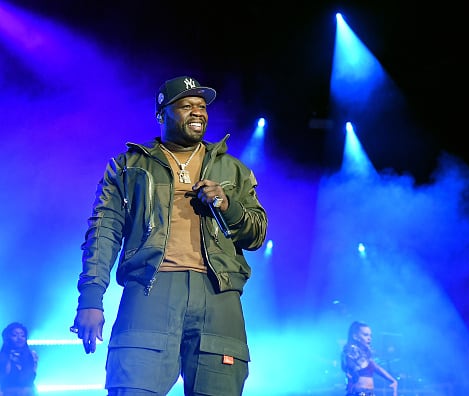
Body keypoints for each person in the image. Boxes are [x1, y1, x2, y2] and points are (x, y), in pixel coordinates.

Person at [70, 75, 268, 396]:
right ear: (162, 114)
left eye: (202, 107)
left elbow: (256, 234)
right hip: (150, 289)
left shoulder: (233, 171)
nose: (198, 112)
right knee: (132, 386)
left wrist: (227, 204)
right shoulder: (128, 167)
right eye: (187, 105)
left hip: (218, 296)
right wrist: (91, 299)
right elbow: (103, 233)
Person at [341, 321, 398, 396]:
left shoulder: (366, 354)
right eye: (365, 335)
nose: (369, 338)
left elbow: (377, 368)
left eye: (370, 336)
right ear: (355, 336)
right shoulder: (349, 351)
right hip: (357, 393)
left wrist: (393, 381)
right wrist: (368, 353)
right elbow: (353, 367)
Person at [0, 322, 39, 396]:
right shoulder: (2, 357)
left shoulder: (32, 356)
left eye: (22, 335)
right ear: (7, 338)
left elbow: (32, 376)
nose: (20, 338)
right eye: (14, 335)